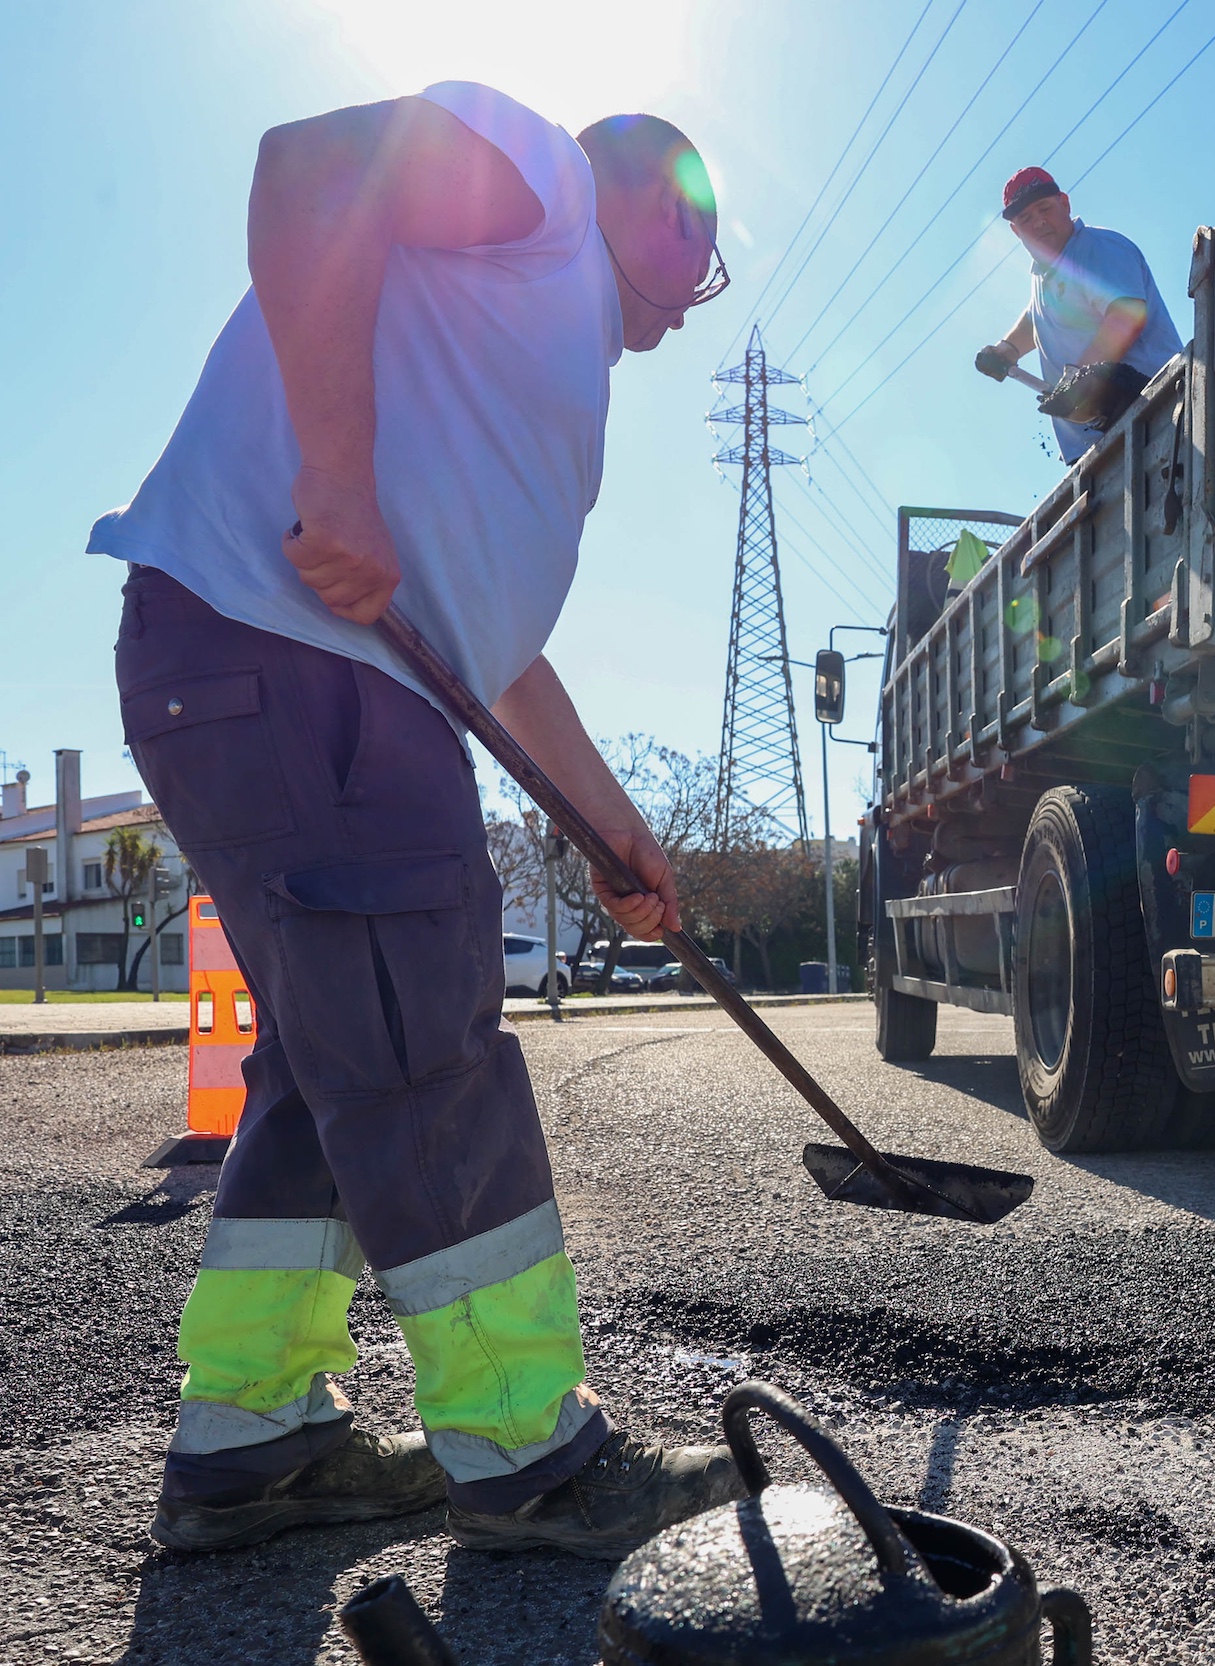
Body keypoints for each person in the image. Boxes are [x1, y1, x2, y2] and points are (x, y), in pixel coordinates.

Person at [88, 84, 747, 1558]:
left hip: (265, 668)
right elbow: (313, 165)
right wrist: (332, 475)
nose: (695, 301)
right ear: (657, 207)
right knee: (422, 1051)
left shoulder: (526, 345)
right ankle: (530, 1456)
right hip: (294, 659)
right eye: (699, 256)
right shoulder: (543, 185)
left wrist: (609, 827)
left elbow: (494, 647)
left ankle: (254, 1440)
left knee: (335, 1065)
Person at [973, 166, 1183, 464]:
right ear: (1015, 230)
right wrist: (1008, 349)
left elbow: (1126, 316)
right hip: (1105, 445)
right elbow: (1038, 317)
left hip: (1157, 414)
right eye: (1026, 219)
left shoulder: (1097, 248)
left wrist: (1078, 383)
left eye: (1044, 208)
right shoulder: (1046, 274)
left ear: (1065, 203)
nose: (1039, 223)